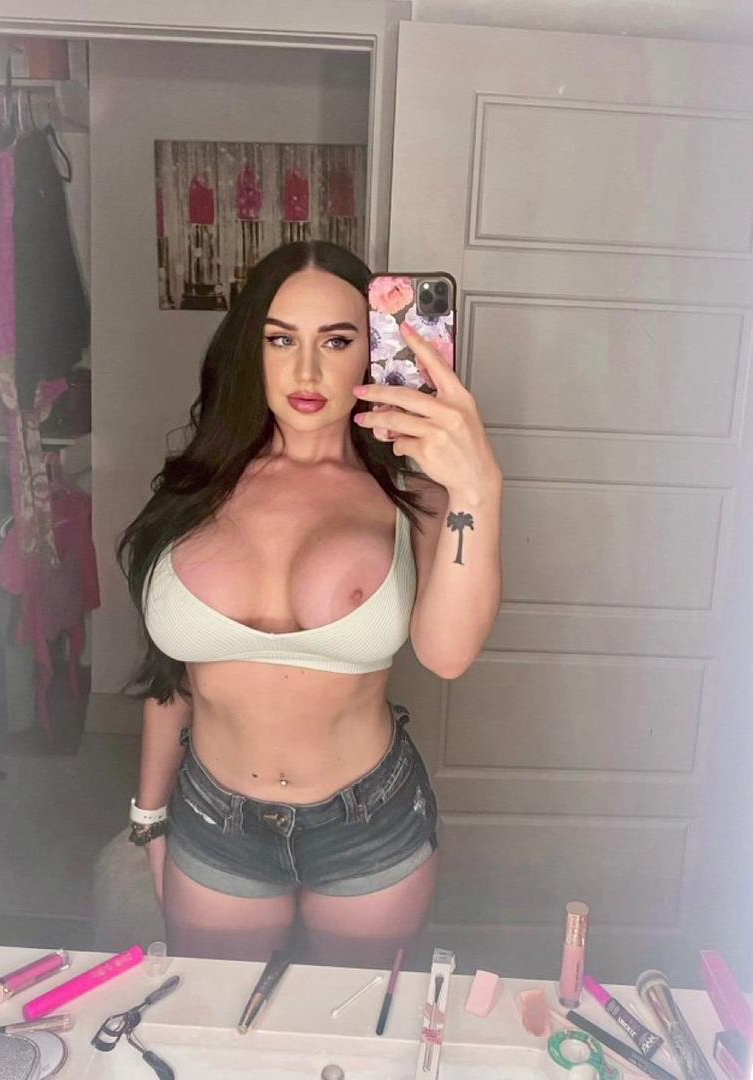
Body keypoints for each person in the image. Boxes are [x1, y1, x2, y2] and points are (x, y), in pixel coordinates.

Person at [118, 241, 503, 965]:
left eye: (335, 341)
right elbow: (173, 679)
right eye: (280, 339)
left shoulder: (416, 497)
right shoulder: (194, 489)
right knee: (219, 1021)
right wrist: (149, 813)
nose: (305, 372)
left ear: (373, 351)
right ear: (250, 350)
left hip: (369, 821)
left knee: (356, 1024)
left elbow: (449, 654)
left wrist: (477, 488)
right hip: (214, 816)